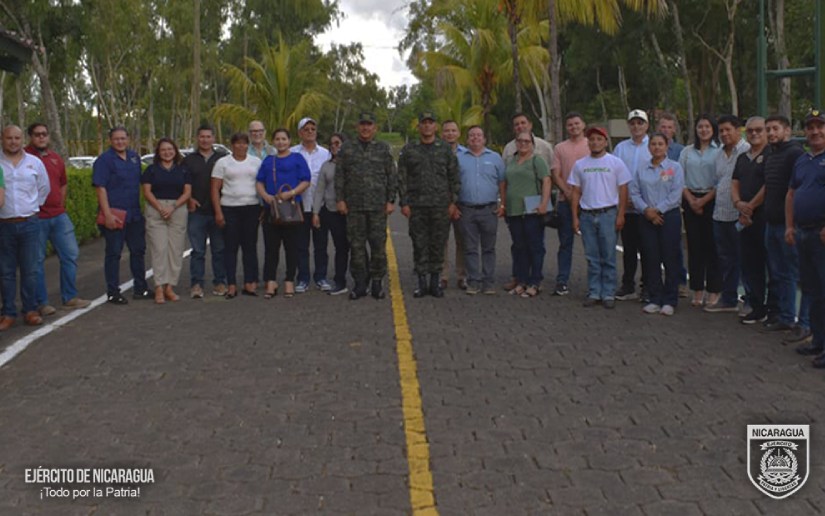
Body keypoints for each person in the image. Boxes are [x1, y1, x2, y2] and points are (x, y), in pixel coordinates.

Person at [25, 123, 90, 315]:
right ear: (30, 136)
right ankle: (41, 303)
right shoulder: (24, 158)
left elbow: (63, 183)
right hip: (35, 218)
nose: (41, 138)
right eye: (37, 135)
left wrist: (60, 204)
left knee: (70, 254)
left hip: (58, 216)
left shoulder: (55, 158)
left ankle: (69, 297)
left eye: (44, 134)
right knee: (36, 262)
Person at [398, 111, 461, 298]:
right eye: (423, 123)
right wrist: (404, 202)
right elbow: (402, 178)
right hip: (416, 206)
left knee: (438, 244)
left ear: (435, 127)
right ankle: (421, 282)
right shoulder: (409, 150)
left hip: (440, 206)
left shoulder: (444, 150)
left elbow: (454, 177)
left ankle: (435, 282)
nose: (427, 126)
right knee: (419, 244)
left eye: (430, 123)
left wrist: (453, 202)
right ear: (419, 127)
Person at [335, 112, 397, 300]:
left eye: (369, 125)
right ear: (357, 127)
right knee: (357, 246)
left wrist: (391, 200)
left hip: (378, 206)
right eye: (362, 124)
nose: (366, 128)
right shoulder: (347, 149)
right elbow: (340, 176)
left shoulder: (383, 148)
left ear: (375, 128)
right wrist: (340, 199)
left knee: (378, 246)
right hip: (354, 207)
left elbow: (391, 175)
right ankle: (360, 283)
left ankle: (377, 283)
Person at [569, 125, 631, 309]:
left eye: (599, 139)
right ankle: (594, 291)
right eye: (592, 139)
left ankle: (608, 292)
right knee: (592, 256)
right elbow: (576, 192)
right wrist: (575, 217)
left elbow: (623, 190)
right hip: (587, 215)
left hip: (608, 214)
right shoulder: (580, 164)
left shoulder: (615, 163)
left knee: (608, 256)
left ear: (605, 141)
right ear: (588, 142)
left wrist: (621, 214)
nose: (595, 142)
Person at [762, 115, 809, 337]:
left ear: (787, 131)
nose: (771, 133)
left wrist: (792, 224)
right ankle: (786, 317)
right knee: (778, 273)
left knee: (793, 273)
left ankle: (803, 322)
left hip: (788, 225)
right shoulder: (771, 154)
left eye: (775, 129)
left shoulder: (795, 153)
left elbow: (796, 191)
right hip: (771, 223)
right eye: (768, 129)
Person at [0, 125, 50, 330]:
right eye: (9, 138)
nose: (13, 141)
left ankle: (30, 310)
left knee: (30, 270)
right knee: (5, 272)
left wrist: (30, 207)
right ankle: (8, 312)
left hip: (29, 223)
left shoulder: (34, 163)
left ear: (22, 139)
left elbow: (43, 188)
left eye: (17, 138)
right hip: (4, 225)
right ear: (2, 139)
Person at [786, 109, 825, 367]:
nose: (815, 132)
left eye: (820, 127)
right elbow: (791, 194)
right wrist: (789, 226)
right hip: (803, 232)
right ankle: (818, 342)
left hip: (822, 233)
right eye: (810, 127)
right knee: (812, 290)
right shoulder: (802, 160)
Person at [92, 126, 149, 305]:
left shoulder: (134, 158)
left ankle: (141, 288)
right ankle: (113, 292)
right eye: (116, 139)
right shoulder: (104, 160)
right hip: (115, 214)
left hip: (134, 214)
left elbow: (141, 185)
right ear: (110, 140)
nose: (120, 142)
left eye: (123, 138)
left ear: (128, 139)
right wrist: (107, 214)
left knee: (138, 251)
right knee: (114, 253)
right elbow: (100, 188)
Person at [630, 133, 684, 316]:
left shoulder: (674, 167)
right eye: (653, 144)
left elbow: (676, 194)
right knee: (650, 258)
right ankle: (655, 298)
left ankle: (670, 299)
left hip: (669, 217)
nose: (657, 147)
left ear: (667, 146)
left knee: (670, 258)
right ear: (649, 147)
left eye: (661, 144)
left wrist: (658, 210)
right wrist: (647, 211)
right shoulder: (641, 169)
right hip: (646, 217)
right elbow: (634, 193)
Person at [502, 113, 554, 290]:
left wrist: (544, 204)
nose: (523, 144)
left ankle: (535, 281)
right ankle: (521, 280)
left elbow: (547, 181)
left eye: (526, 141)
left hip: (533, 210)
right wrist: (503, 204)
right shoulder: (511, 160)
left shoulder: (538, 159)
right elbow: (505, 182)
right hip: (514, 210)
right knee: (519, 246)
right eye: (520, 141)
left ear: (532, 143)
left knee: (535, 246)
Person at [258, 128, 311, 299]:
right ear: (273, 141)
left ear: (289, 141)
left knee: (292, 248)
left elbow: (306, 180)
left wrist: (292, 192)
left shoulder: (297, 158)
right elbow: (259, 181)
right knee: (271, 248)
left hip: (292, 208)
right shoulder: (268, 160)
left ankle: (289, 281)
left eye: (284, 139)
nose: (281, 142)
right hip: (271, 210)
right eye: (277, 139)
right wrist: (265, 196)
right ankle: (271, 281)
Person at [705, 115, 750, 313]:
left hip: (739, 214)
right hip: (720, 214)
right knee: (726, 259)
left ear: (738, 129)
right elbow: (720, 183)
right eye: (721, 131)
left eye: (728, 129)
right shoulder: (718, 155)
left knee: (746, 260)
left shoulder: (747, 151)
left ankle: (751, 302)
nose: (724, 134)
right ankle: (729, 299)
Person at [141, 138, 192, 304]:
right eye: (163, 150)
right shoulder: (151, 170)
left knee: (175, 250)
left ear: (175, 151)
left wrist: (173, 207)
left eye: (170, 149)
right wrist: (160, 207)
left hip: (177, 209)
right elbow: (147, 192)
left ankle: (170, 286)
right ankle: (158, 287)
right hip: (156, 210)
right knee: (159, 249)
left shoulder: (183, 170)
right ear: (158, 152)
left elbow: (187, 192)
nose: (167, 152)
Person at [211, 132, 262, 298]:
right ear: (232, 145)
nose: (241, 146)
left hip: (251, 207)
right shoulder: (223, 163)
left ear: (248, 145)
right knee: (230, 248)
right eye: (237, 143)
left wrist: (263, 208)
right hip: (229, 208)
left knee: (250, 247)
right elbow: (214, 189)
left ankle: (249, 283)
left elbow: (262, 185)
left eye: (244, 143)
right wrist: (218, 212)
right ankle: (231, 284)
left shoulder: (256, 162)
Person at [456, 126, 505, 295]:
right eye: (471, 136)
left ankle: (489, 282)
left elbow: (502, 183)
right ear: (467, 139)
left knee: (488, 248)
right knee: (470, 248)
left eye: (478, 135)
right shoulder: (459, 158)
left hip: (489, 209)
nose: (475, 138)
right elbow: (453, 183)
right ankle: (473, 281)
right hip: (466, 209)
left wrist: (503, 204)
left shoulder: (495, 158)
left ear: (484, 139)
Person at [680, 115, 721, 307]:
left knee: (712, 247)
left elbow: (722, 180)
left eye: (707, 126)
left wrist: (704, 200)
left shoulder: (720, 151)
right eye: (700, 126)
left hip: (712, 200)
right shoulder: (687, 151)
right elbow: (680, 179)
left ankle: (714, 290)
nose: (703, 130)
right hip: (690, 200)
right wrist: (691, 200)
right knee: (694, 248)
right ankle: (697, 289)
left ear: (713, 129)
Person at [731, 116, 770, 324]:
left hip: (764, 217)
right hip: (744, 218)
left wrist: (751, 206)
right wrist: (738, 203)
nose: (754, 134)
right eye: (751, 131)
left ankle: (773, 309)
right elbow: (734, 182)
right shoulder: (742, 157)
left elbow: (768, 185)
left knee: (770, 265)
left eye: (759, 130)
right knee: (750, 263)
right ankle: (756, 305)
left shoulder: (771, 155)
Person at [183, 124, 227, 299]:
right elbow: (183, 183)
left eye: (208, 136)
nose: (205, 140)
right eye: (202, 136)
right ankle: (196, 284)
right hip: (197, 212)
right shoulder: (188, 160)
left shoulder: (222, 158)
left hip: (218, 210)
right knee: (198, 251)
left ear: (214, 139)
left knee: (219, 249)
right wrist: (189, 199)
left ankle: (220, 282)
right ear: (197, 138)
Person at [613, 109, 651, 301]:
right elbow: (615, 173)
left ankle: (647, 286)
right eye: (633, 123)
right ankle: (628, 285)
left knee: (647, 249)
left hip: (646, 206)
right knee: (629, 249)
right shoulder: (620, 148)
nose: (636, 126)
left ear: (647, 125)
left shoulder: (652, 145)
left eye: (640, 123)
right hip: (626, 206)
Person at [291, 117, 332, 293]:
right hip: (299, 206)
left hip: (320, 207)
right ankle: (303, 278)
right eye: (306, 129)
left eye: (312, 129)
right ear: (300, 133)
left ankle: (321, 277)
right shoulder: (292, 152)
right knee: (301, 245)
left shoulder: (325, 153)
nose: (309, 132)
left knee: (321, 245)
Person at [550, 112, 588, 297]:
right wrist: (567, 191)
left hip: (589, 203)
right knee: (565, 243)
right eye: (570, 125)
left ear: (583, 125)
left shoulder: (592, 144)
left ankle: (595, 283)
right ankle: (562, 281)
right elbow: (555, 173)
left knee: (592, 245)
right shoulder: (560, 148)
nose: (574, 127)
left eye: (577, 123)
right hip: (566, 202)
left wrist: (581, 196)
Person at [313, 133, 349, 296]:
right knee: (332, 246)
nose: (334, 146)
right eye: (331, 144)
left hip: (348, 212)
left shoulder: (351, 164)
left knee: (349, 247)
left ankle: (363, 280)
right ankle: (339, 281)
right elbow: (320, 189)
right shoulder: (326, 166)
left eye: (338, 143)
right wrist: (315, 212)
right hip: (330, 210)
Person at [439, 119, 467, 290]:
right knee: (442, 241)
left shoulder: (467, 153)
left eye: (453, 130)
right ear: (442, 134)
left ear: (458, 133)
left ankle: (462, 275)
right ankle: (442, 276)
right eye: (447, 131)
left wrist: (456, 203)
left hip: (462, 203)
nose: (450, 133)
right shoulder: (437, 152)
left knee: (462, 241)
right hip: (441, 204)